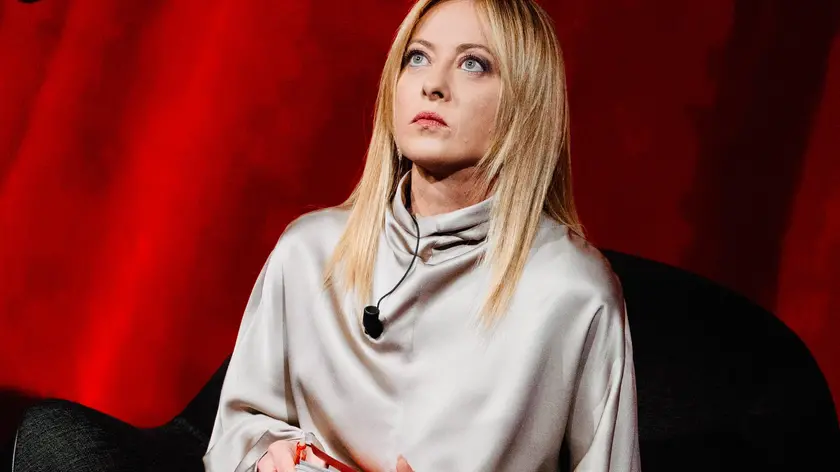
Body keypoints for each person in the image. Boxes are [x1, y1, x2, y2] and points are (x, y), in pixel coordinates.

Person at [203, 0, 641, 471]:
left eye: (473, 64)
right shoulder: (309, 254)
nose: (433, 85)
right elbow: (237, 432)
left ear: (526, 101)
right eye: (418, 57)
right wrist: (267, 457)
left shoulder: (573, 292)